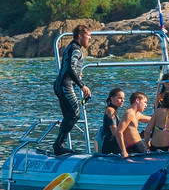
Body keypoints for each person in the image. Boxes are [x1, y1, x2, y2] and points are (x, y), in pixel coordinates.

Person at [52, 24, 92, 155]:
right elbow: (70, 68)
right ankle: (58, 146)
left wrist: (77, 74)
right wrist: (82, 85)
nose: (90, 39)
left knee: (68, 115)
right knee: (74, 114)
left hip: (60, 84)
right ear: (80, 36)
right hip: (65, 86)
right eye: (88, 36)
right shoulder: (76, 49)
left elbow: (69, 67)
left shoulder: (71, 46)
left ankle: (59, 145)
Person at [97, 88, 127, 156]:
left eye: (123, 98)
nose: (122, 100)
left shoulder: (113, 110)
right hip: (111, 145)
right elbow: (114, 131)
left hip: (111, 142)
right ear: (112, 99)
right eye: (120, 98)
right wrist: (124, 150)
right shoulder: (110, 111)